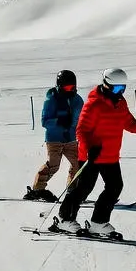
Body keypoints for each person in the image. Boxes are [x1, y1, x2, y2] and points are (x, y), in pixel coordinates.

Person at [56, 66, 136, 239]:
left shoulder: (120, 103)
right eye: (118, 88)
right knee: (83, 188)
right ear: (107, 85)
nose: (121, 92)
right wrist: (90, 148)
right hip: (92, 156)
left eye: (123, 88)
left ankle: (98, 222)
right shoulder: (94, 103)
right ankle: (64, 219)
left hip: (110, 155)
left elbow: (130, 123)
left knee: (115, 187)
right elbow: (81, 130)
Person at [24, 69, 84, 201]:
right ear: (59, 85)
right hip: (54, 139)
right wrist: (60, 121)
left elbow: (82, 118)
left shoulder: (77, 100)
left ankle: (72, 190)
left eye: (72, 87)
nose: (70, 90)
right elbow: (45, 121)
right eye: (67, 87)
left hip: (71, 139)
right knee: (53, 165)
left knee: (78, 164)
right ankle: (38, 189)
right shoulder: (51, 98)